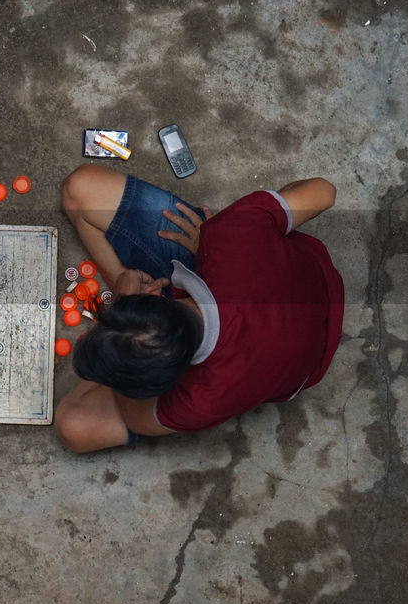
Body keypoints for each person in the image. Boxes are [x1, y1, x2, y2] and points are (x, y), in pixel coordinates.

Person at [54, 164, 344, 452]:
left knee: (74, 428)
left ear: (167, 386)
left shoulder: (201, 398)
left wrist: (120, 370)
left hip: (300, 350)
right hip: (268, 278)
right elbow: (324, 192)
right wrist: (220, 240)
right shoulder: (229, 235)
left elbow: (138, 417)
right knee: (79, 188)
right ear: (155, 296)